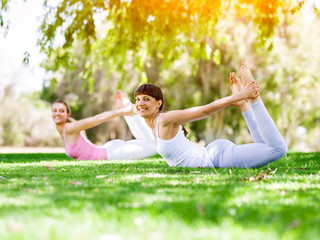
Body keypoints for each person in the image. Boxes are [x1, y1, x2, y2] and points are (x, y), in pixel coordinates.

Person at [133, 63, 287, 168]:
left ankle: (254, 98)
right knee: (264, 147)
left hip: (216, 158)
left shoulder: (165, 120)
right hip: (212, 152)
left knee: (277, 149)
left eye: (146, 99)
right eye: (138, 99)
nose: (140, 103)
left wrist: (241, 95)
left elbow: (205, 110)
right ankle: (245, 105)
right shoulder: (152, 126)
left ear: (158, 103)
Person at [51, 91, 156, 160]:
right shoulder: (64, 131)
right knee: (147, 142)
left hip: (112, 154)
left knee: (154, 145)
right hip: (107, 148)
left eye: (61, 111)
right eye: (54, 111)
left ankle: (129, 110)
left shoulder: (70, 128)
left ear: (67, 114)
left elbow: (97, 119)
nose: (57, 113)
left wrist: (121, 112)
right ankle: (129, 111)